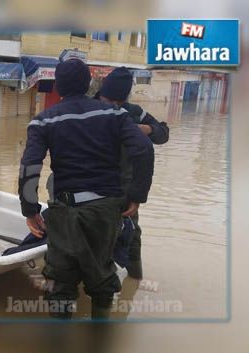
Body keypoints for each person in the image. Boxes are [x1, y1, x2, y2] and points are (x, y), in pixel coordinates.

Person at [18, 58, 155, 320]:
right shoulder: (115, 115)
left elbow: (30, 166)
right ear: (89, 84)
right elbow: (144, 149)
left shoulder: (43, 121)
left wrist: (30, 209)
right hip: (105, 211)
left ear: (58, 85)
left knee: (59, 283)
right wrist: (136, 196)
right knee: (103, 281)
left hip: (65, 211)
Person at [97, 67, 170, 279]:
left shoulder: (134, 113)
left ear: (124, 99)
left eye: (117, 103)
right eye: (107, 100)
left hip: (123, 190)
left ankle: (134, 279)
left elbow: (163, 134)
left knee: (131, 235)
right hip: (92, 186)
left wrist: (144, 129)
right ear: (100, 94)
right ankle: (100, 284)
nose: (112, 106)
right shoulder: (88, 107)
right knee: (92, 236)